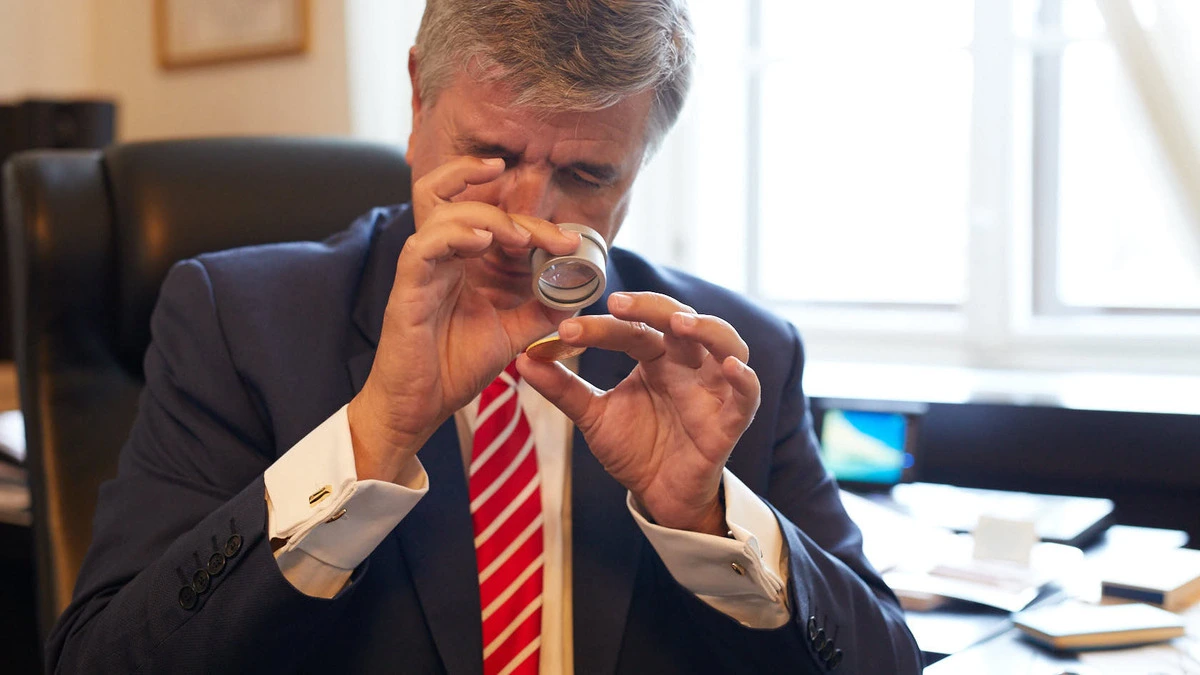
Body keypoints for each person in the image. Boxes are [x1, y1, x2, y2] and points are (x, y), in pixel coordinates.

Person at [47, 1, 921, 673]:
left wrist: (705, 517)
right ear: (418, 96)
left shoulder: (730, 357)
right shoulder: (238, 320)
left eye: (587, 174)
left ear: (640, 166)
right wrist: (373, 435)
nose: (528, 221)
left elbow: (888, 661)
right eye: (492, 156)